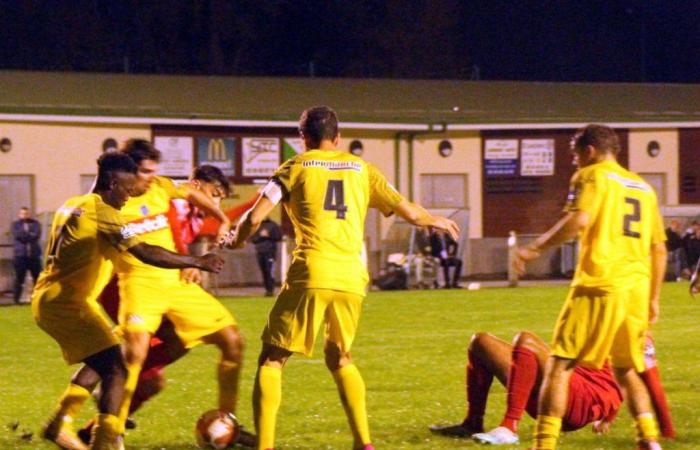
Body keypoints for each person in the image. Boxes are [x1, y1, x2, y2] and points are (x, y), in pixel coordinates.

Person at [221, 106, 460, 450]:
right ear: (339, 136)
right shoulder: (362, 169)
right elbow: (408, 210)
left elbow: (255, 215)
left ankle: (266, 446)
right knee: (341, 357)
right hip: (351, 277)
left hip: (312, 272)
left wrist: (237, 239)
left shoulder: (293, 168)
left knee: (272, 359)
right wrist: (434, 219)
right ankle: (364, 443)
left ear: (303, 138)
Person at [35, 152, 224, 450]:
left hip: (56, 300)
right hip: (67, 305)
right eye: (126, 188)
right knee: (117, 367)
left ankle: (59, 424)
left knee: (104, 360)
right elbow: (144, 250)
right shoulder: (104, 213)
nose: (129, 195)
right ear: (112, 182)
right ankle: (106, 440)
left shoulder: (73, 204)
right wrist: (197, 261)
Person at [514, 124, 668, 450]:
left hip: (599, 284)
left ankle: (542, 445)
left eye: (575, 154)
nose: (574, 161)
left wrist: (534, 248)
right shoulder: (643, 187)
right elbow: (659, 249)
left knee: (559, 366)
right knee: (627, 369)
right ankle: (649, 439)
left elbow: (579, 220)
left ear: (590, 151)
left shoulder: (591, 176)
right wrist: (653, 298)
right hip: (636, 292)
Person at [429, 331, 675, 445]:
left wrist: (666, 429)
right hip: (560, 386)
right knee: (480, 342)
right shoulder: (599, 303)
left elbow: (648, 381)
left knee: (526, 340)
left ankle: (508, 427)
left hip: (581, 399)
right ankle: (473, 422)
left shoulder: (639, 330)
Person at [11, 206, 42, 304]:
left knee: (37, 279)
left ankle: (37, 300)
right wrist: (29, 235)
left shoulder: (35, 223)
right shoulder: (15, 225)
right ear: (20, 214)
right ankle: (16, 300)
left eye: (26, 213)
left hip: (34, 256)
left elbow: (36, 235)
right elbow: (18, 235)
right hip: (20, 256)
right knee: (19, 279)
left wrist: (26, 235)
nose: (25, 215)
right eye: (23, 213)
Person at [251, 218, 282, 296]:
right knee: (264, 271)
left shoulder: (273, 225)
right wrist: (261, 236)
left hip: (270, 252)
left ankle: (270, 290)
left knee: (270, 271)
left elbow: (278, 237)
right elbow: (253, 238)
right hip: (260, 252)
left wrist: (268, 235)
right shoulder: (257, 225)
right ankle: (267, 289)